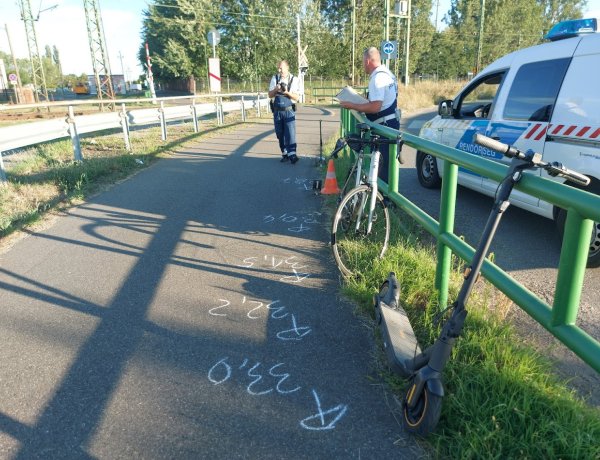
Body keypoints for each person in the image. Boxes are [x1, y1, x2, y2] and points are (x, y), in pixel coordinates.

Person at [339, 47, 399, 182]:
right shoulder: (388, 74)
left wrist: (352, 105)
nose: (362, 65)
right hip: (390, 122)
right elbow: (381, 102)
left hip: (383, 126)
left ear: (367, 61)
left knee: (381, 167)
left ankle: (382, 199)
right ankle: (384, 199)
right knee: (387, 165)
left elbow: (375, 107)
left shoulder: (377, 79)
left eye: (362, 62)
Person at [268, 60, 301, 164]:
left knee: (290, 133)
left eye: (281, 68)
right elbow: (270, 95)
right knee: (279, 133)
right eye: (278, 68)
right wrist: (276, 89)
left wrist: (287, 92)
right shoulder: (275, 78)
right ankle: (285, 153)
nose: (279, 70)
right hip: (277, 111)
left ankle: (292, 154)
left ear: (287, 67)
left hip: (288, 110)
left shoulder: (294, 79)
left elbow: (297, 97)